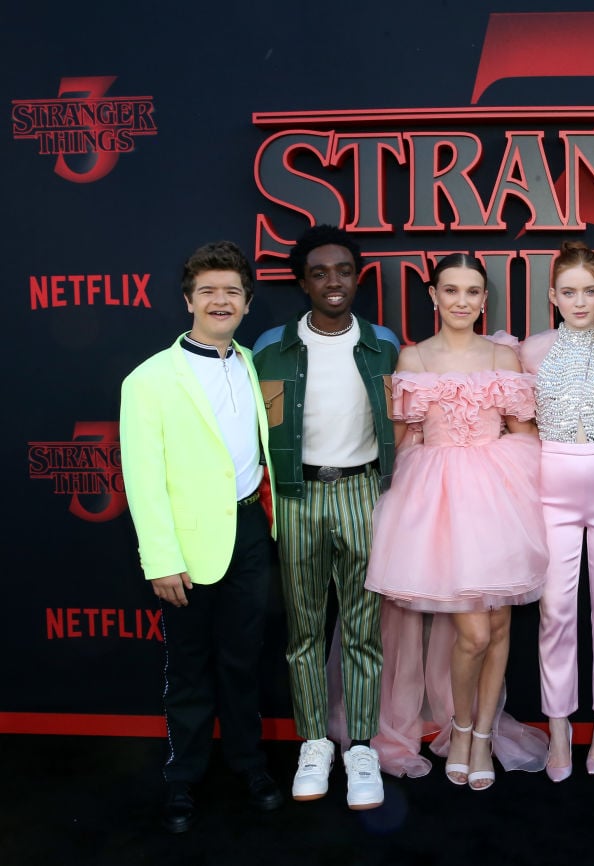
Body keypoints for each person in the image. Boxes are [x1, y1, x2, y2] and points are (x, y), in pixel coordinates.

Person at [364, 253, 549, 791]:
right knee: (473, 631)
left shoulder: (502, 356)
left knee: (499, 625)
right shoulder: (414, 357)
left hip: (500, 495)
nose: (461, 301)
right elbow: (401, 434)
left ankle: (482, 736)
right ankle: (461, 727)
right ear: (433, 295)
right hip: (439, 499)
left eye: (472, 292)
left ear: (484, 300)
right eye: (451, 290)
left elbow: (522, 430)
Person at [120, 240, 282, 833]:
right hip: (186, 545)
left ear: (247, 303)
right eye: (208, 290)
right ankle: (182, 776)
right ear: (188, 300)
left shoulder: (253, 363)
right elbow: (142, 478)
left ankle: (248, 764)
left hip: (250, 531)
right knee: (189, 667)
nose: (220, 300)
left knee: (243, 661)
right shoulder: (149, 379)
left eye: (232, 291)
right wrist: (161, 558)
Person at [252, 225, 398, 810]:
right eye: (319, 273)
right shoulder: (271, 347)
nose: (333, 281)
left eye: (343, 270)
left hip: (364, 491)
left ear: (357, 278)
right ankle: (314, 743)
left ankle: (361, 747)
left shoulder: (383, 343)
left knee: (364, 629)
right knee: (305, 629)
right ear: (302, 283)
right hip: (298, 494)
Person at [519, 241, 594, 782]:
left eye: (589, 291)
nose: (580, 302)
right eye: (569, 292)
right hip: (552, 492)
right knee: (555, 612)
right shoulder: (531, 349)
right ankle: (559, 726)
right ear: (553, 296)